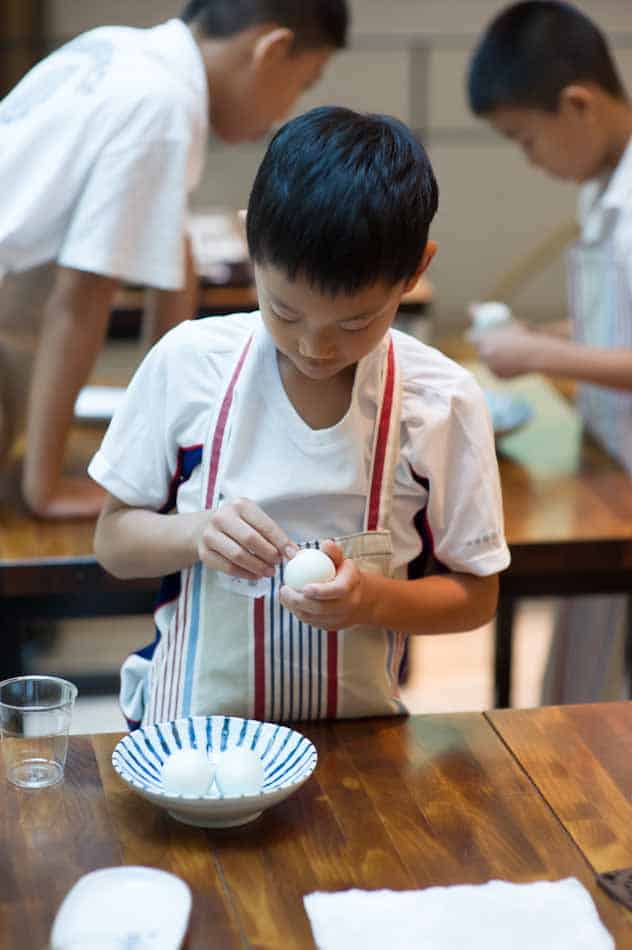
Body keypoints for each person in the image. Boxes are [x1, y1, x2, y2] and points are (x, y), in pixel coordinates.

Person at [90, 106, 510, 728]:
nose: (316, 347)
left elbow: (476, 596)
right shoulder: (188, 364)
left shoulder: (438, 402)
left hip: (357, 743)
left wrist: (372, 600)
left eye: (356, 322)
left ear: (416, 271)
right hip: (193, 733)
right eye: (285, 312)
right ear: (250, 244)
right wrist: (197, 534)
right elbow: (113, 543)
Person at [0, 0, 348, 519]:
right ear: (272, 51)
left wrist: (163, 444)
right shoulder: (161, 106)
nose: (286, 110)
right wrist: (45, 488)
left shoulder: (121, 51)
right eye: (304, 82)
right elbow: (81, 300)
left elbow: (176, 262)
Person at [467, 0, 632, 702]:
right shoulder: (605, 186)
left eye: (526, 138)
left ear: (577, 105)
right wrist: (547, 336)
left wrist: (538, 356)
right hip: (613, 457)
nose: (529, 159)